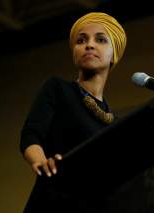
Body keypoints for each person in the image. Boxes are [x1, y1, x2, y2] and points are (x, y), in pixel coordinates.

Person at [20, 12, 127, 212]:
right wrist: (41, 161)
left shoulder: (115, 123)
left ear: (114, 54)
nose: (89, 45)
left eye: (101, 40)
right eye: (81, 40)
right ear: (74, 51)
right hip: (52, 203)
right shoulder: (58, 89)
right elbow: (31, 134)